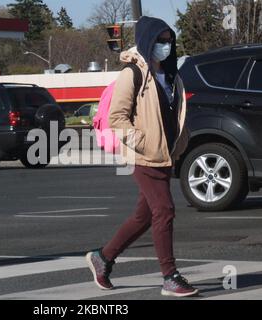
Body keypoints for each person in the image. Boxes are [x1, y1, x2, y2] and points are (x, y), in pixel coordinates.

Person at [86, 16, 198, 297]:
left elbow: (175, 114)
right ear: (147, 40)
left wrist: (179, 143)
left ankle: (103, 257)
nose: (165, 45)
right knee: (165, 210)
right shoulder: (132, 73)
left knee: (144, 216)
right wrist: (143, 142)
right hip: (144, 155)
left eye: (169, 40)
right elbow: (117, 117)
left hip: (166, 154)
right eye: (160, 40)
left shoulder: (171, 74)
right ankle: (169, 276)